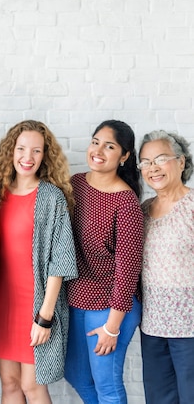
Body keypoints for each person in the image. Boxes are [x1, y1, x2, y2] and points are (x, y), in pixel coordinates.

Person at [0, 120, 77, 403]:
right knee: (10, 385)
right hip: (1, 304)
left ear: (45, 156)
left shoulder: (51, 197)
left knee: (33, 386)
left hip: (36, 305)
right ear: (10, 150)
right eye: (22, 149)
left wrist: (45, 317)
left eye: (36, 151)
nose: (28, 158)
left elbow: (60, 261)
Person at [64, 120, 144, 404]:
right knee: (76, 376)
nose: (98, 150)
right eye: (95, 141)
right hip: (77, 299)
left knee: (107, 386)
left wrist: (112, 327)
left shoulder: (126, 203)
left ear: (124, 156)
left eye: (109, 146)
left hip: (112, 305)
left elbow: (128, 270)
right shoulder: (75, 184)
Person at [137, 130, 194, 404]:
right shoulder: (144, 210)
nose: (152, 168)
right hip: (153, 327)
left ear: (181, 162)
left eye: (161, 159)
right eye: (145, 162)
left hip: (190, 329)